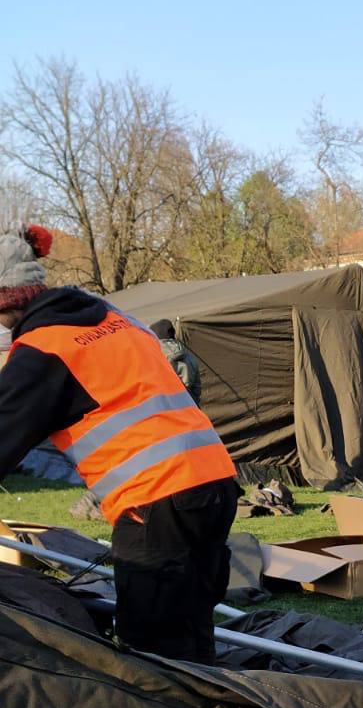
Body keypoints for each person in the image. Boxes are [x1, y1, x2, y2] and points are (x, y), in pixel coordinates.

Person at [0, 224, 239, 662]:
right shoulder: (113, 317)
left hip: (156, 499)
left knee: (152, 649)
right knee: (192, 629)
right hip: (215, 483)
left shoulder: (42, 348)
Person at [150, 318, 202, 402]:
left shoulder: (155, 357)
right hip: (190, 407)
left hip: (168, 408)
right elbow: (197, 389)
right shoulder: (189, 357)